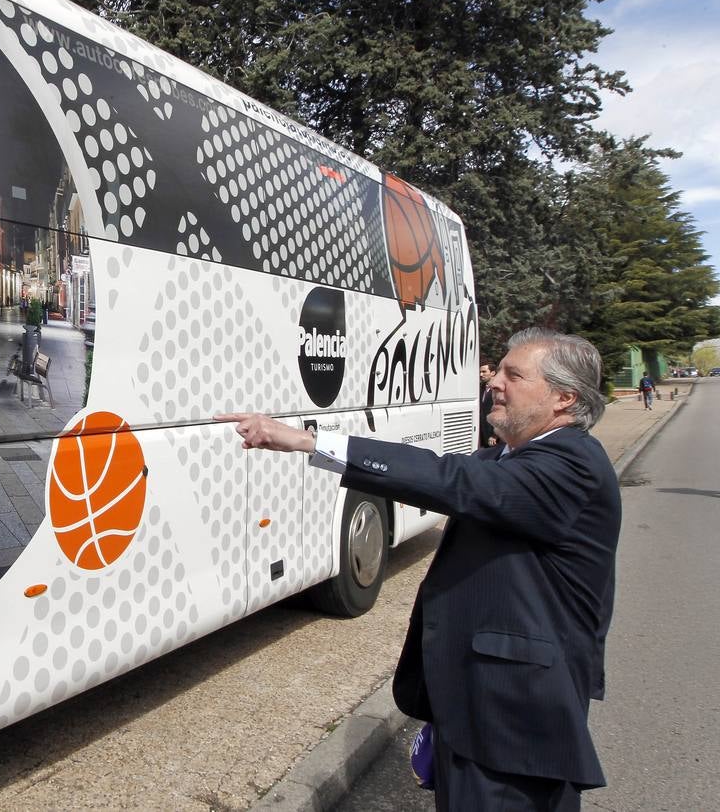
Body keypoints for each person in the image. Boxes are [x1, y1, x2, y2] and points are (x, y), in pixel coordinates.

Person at [217, 328, 620, 811]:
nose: (495, 382)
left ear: (563, 398)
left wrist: (309, 442)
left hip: (513, 718)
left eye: (514, 375)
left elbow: (446, 478)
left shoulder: (572, 463)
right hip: (477, 705)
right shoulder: (507, 455)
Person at [478, 361, 501, 448]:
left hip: (493, 437)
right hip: (482, 434)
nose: (481, 374)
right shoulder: (481, 388)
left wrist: (495, 434)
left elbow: (502, 413)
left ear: (493, 373)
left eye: (484, 372)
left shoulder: (499, 389)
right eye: (480, 372)